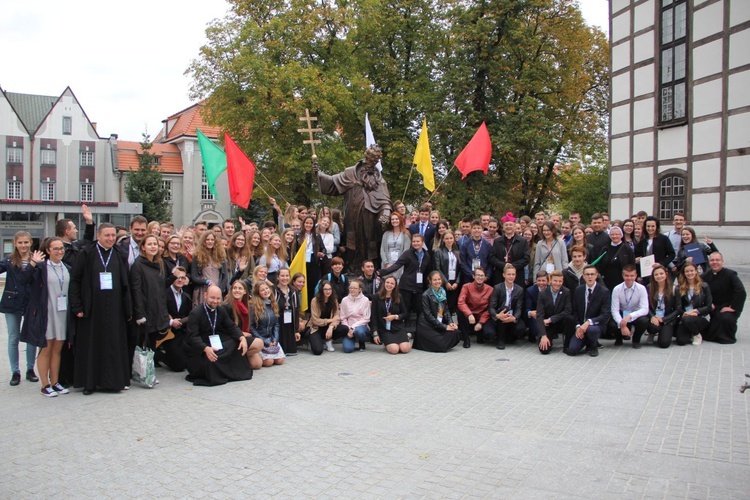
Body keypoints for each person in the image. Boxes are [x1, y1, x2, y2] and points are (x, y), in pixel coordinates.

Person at [69, 223, 131, 394]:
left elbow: (126, 283)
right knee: (92, 344)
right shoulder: (87, 253)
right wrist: (77, 306)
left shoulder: (119, 254)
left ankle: (113, 382)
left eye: (113, 235)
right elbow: (75, 280)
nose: (111, 238)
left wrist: (128, 309)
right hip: (92, 308)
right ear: (99, 235)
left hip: (115, 308)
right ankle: (90, 383)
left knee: (113, 344)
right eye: (107, 235)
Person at [315, 144, 392, 272]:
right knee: (352, 243)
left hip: (371, 220)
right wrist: (319, 174)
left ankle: (370, 270)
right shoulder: (351, 173)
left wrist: (386, 212)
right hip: (353, 217)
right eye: (370, 159)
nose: (371, 163)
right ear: (366, 157)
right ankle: (352, 269)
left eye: (375, 160)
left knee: (370, 245)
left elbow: (386, 201)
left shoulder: (380, 180)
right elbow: (333, 183)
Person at [19, 240, 70, 396]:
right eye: (55, 249)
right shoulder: (41, 267)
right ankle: (45, 384)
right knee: (46, 349)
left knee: (57, 349)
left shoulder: (67, 268)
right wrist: (33, 263)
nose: (59, 251)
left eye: (61, 248)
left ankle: (55, 382)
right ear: (48, 250)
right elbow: (23, 280)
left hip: (62, 313)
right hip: (47, 313)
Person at [183, 285, 253, 386]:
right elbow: (193, 337)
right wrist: (205, 348)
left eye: (218, 298)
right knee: (210, 361)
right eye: (212, 298)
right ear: (205, 295)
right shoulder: (196, 313)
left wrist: (241, 338)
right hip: (200, 348)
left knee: (235, 342)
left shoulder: (220, 310)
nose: (215, 301)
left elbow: (231, 326)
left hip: (215, 342)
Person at [1, 231, 38, 386]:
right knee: (13, 337)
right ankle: (15, 371)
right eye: (20, 243)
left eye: (26, 242)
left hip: (30, 302)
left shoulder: (36, 259)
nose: (23, 245)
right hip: (12, 302)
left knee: (31, 337)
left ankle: (30, 369)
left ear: (31, 243)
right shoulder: (9, 260)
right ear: (15, 244)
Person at [380, 233, 431, 330]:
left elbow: (427, 272)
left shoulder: (426, 255)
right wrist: (383, 272)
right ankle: (403, 330)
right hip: (406, 286)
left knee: (420, 308)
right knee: (405, 309)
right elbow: (397, 265)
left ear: (422, 242)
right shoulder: (408, 253)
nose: (415, 243)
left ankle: (419, 331)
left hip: (419, 287)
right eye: (414, 241)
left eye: (418, 241)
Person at [130, 234, 170, 355]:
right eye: (149, 244)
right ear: (143, 247)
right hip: (145, 310)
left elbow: (161, 287)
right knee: (142, 345)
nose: (153, 247)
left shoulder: (160, 264)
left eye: (155, 244)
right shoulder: (138, 265)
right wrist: (139, 314)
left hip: (157, 309)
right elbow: (136, 290)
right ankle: (141, 372)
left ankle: (149, 370)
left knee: (152, 345)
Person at [701, 253, 745, 344]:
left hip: (728, 306)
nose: (715, 262)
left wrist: (733, 307)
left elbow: (740, 291)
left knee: (726, 318)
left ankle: (726, 337)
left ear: (722, 262)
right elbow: (700, 291)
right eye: (712, 260)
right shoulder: (705, 276)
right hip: (713, 307)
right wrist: (708, 303)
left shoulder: (730, 274)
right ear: (709, 262)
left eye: (717, 260)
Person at [568, 265, 611, 357]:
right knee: (572, 350)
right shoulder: (578, 290)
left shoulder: (604, 292)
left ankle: (593, 345)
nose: (590, 277)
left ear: (596, 275)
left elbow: (605, 314)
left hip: (596, 325)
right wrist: (578, 326)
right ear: (583, 276)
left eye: (592, 274)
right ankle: (587, 340)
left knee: (592, 330)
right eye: (587, 274)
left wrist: (589, 322)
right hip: (581, 326)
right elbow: (574, 311)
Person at [413, 271, 460, 352]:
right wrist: (444, 327)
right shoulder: (426, 295)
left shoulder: (443, 292)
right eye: (435, 280)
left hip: (438, 322)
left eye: (439, 279)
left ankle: (440, 342)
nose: (437, 281)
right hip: (426, 324)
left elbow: (446, 310)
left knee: (456, 332)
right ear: (430, 281)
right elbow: (428, 315)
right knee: (442, 346)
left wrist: (450, 322)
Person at [159, 266, 192, 371]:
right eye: (177, 277)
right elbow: (158, 313)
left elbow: (188, 316)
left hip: (181, 333)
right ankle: (158, 355)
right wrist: (171, 322)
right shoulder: (163, 293)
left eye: (182, 277)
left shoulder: (186, 297)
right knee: (178, 367)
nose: (180, 280)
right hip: (165, 333)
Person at [609, 265, 649, 348]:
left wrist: (630, 316)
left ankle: (636, 340)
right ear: (623, 275)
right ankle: (619, 338)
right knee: (611, 324)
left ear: (636, 276)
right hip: (622, 314)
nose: (629, 278)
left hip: (635, 314)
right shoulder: (617, 289)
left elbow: (645, 309)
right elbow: (614, 310)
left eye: (631, 276)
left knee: (644, 321)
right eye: (626, 275)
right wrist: (622, 324)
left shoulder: (641, 288)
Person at [535, 270, 573, 355]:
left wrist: (551, 319)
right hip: (548, 325)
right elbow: (540, 315)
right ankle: (544, 338)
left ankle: (567, 345)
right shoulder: (543, 294)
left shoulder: (566, 292)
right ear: (550, 281)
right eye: (555, 281)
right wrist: (543, 336)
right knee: (544, 350)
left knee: (570, 319)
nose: (558, 283)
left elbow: (568, 310)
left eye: (560, 281)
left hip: (561, 322)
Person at [675, 263, 713, 346]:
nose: (690, 273)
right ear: (684, 273)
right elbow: (678, 307)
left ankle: (696, 334)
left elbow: (709, 306)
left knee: (689, 319)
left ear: (696, 271)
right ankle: (690, 332)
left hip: (700, 317)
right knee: (681, 341)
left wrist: (696, 311)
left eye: (692, 270)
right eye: (687, 271)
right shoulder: (679, 288)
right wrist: (685, 313)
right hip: (685, 317)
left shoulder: (704, 286)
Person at [371, 276, 411, 354]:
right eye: (387, 282)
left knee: (405, 349)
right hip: (385, 329)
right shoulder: (376, 297)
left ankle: (407, 337)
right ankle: (387, 343)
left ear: (395, 285)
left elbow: (404, 313)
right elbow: (374, 316)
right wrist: (375, 333)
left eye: (392, 283)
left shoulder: (398, 296)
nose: (389, 285)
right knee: (394, 350)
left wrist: (395, 316)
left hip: (398, 327)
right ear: (384, 283)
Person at [489, 264, 526, 349]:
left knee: (521, 328)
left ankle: (510, 336)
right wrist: (497, 315)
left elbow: (519, 308)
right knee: (504, 309)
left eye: (513, 274)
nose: (511, 277)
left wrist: (515, 318)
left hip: (512, 315)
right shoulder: (497, 288)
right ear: (504, 275)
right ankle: (500, 340)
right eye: (509, 274)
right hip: (500, 315)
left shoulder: (519, 290)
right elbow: (491, 306)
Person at [456, 267, 495, 348]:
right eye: (478, 275)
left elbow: (490, 308)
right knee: (460, 312)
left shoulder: (490, 289)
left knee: (490, 334)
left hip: (482, 316)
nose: (480, 277)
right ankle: (466, 339)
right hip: (469, 315)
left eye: (482, 276)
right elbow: (461, 302)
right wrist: (469, 314)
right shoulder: (466, 287)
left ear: (485, 277)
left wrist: (481, 322)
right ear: (473, 276)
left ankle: (480, 334)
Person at [308, 280, 349, 354]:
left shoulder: (334, 300)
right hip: (316, 328)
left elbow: (336, 317)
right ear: (321, 290)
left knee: (345, 328)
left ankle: (329, 341)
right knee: (318, 351)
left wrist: (331, 327)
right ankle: (316, 341)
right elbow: (315, 320)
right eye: (325, 289)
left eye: (329, 289)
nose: (328, 291)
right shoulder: (315, 301)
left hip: (328, 328)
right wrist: (331, 320)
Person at [250, 282, 285, 367]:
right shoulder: (253, 306)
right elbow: (251, 327)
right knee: (269, 362)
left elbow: (276, 324)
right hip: (260, 338)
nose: (265, 291)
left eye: (266, 288)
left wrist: (275, 339)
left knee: (280, 361)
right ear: (258, 293)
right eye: (262, 290)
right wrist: (264, 341)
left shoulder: (273, 303)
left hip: (271, 338)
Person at [489, 213, 530, 287]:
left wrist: (512, 266)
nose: (508, 227)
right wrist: (504, 265)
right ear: (503, 227)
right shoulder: (497, 241)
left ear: (514, 226)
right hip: (500, 274)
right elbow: (492, 257)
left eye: (510, 225)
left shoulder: (523, 241)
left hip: (517, 274)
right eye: (506, 225)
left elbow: (526, 258)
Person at [297, 216, 328, 310]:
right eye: (307, 223)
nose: (308, 225)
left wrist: (322, 254)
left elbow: (323, 249)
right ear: (303, 223)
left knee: (312, 285)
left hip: (313, 263)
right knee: (302, 284)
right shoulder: (298, 235)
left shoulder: (317, 236)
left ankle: (311, 310)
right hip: (301, 262)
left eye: (310, 223)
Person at [191, 231, 229, 306]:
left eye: (212, 240)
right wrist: (207, 282)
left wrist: (219, 290)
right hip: (202, 290)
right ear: (204, 241)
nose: (210, 242)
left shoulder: (221, 256)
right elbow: (194, 277)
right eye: (207, 240)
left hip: (217, 290)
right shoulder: (197, 256)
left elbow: (225, 277)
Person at [646, 264, 679, 349]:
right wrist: (652, 317)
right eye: (656, 274)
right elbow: (645, 306)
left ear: (666, 274)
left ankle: (663, 332)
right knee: (651, 326)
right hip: (654, 317)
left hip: (667, 319)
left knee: (664, 343)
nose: (659, 276)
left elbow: (678, 309)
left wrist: (664, 319)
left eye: (661, 273)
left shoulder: (674, 288)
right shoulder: (649, 288)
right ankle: (652, 332)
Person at [635, 216, 675, 283]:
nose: (650, 228)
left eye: (653, 226)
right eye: (648, 226)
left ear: (657, 227)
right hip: (646, 274)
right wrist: (637, 259)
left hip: (659, 272)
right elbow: (637, 255)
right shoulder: (642, 241)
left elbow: (672, 254)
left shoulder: (664, 239)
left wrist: (661, 263)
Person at [596, 225, 635, 291]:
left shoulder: (627, 249)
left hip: (622, 280)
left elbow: (632, 264)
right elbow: (600, 264)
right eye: (612, 234)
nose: (614, 236)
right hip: (607, 281)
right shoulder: (605, 248)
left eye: (617, 234)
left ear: (621, 235)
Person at [432, 230, 461, 318]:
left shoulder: (457, 252)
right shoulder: (438, 251)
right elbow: (437, 268)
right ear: (443, 240)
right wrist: (446, 282)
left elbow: (460, 269)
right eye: (447, 238)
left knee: (452, 305)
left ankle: (451, 323)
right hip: (443, 282)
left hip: (455, 282)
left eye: (451, 238)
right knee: (442, 306)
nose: (449, 240)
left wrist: (457, 282)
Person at [274, 268, 302, 356]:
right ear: (278, 277)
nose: (284, 278)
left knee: (291, 352)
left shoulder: (294, 291)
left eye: (287, 276)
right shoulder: (273, 291)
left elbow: (296, 311)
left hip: (290, 323)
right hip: (278, 324)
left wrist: (296, 330)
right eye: (282, 276)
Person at [339, 280, 371, 352]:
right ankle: (350, 340)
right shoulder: (344, 300)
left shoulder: (365, 300)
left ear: (360, 289)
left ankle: (361, 342)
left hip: (361, 326)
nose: (352, 290)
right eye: (350, 288)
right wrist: (348, 328)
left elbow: (366, 318)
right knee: (348, 349)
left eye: (355, 288)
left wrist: (353, 327)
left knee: (359, 332)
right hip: (348, 326)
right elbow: (342, 317)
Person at [459, 220, 494, 285]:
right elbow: (463, 262)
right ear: (471, 229)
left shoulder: (487, 245)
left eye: (478, 228)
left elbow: (491, 262)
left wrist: (487, 275)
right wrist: (472, 275)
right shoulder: (465, 245)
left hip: (484, 278)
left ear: (482, 229)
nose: (476, 230)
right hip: (469, 277)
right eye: (474, 228)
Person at [380, 212, 411, 281]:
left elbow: (406, 251)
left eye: (396, 219)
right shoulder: (386, 234)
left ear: (400, 220)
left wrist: (398, 264)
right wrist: (386, 263)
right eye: (392, 219)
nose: (394, 221)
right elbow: (382, 249)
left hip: (400, 265)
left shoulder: (405, 234)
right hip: (387, 264)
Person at [525, 271, 548, 344]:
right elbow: (527, 308)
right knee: (537, 328)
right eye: (539, 280)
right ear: (536, 281)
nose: (541, 283)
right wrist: (530, 313)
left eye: (543, 280)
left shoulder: (551, 290)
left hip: (548, 314)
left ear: (548, 281)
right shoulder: (530, 291)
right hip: (536, 315)